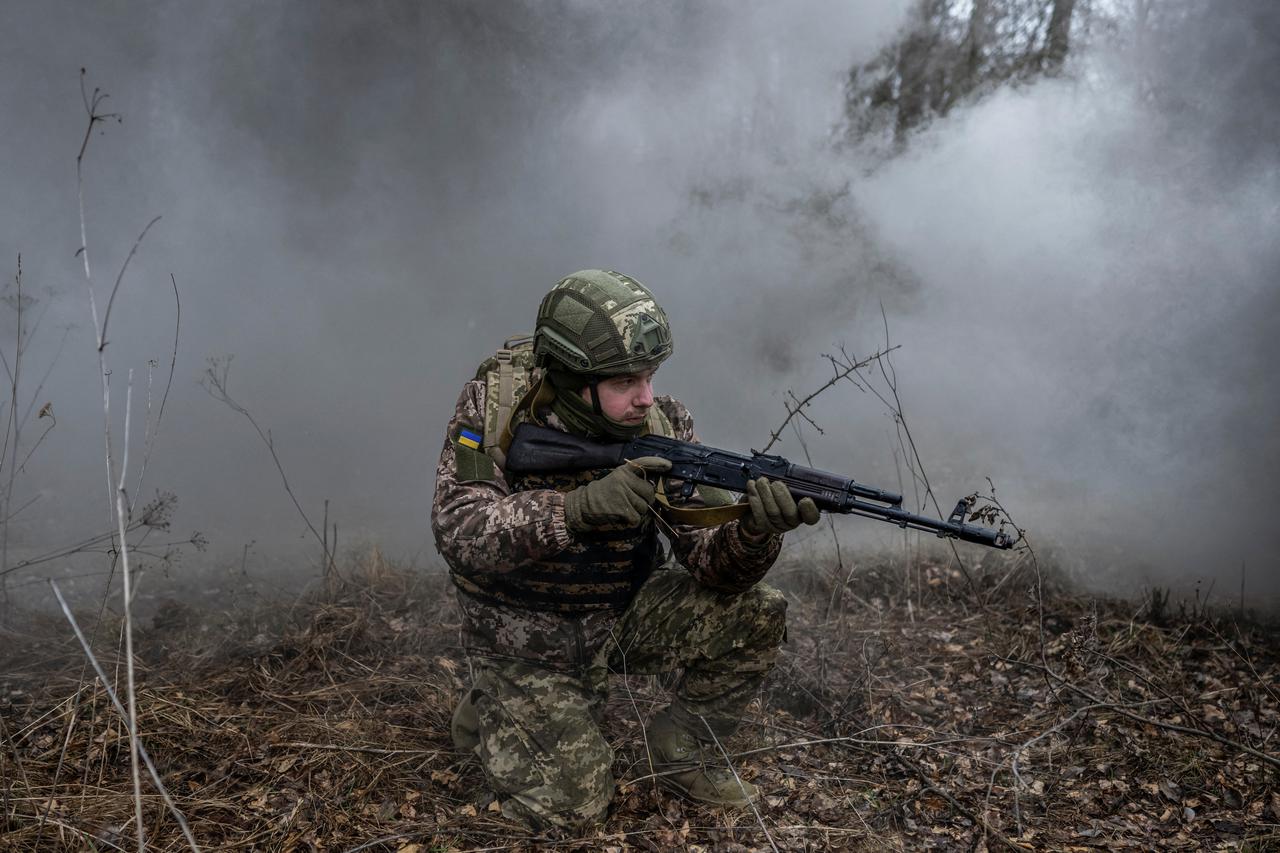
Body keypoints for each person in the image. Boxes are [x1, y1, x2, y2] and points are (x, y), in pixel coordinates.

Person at [431, 269, 819, 831]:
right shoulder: (497, 410)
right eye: (624, 382)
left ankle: (680, 746)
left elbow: (712, 563)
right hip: (525, 637)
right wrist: (574, 510)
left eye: (650, 376)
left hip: (622, 613)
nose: (646, 397)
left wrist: (754, 532)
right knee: (573, 811)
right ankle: (495, 698)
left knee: (761, 610)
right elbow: (458, 531)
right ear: (571, 377)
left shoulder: (663, 423)